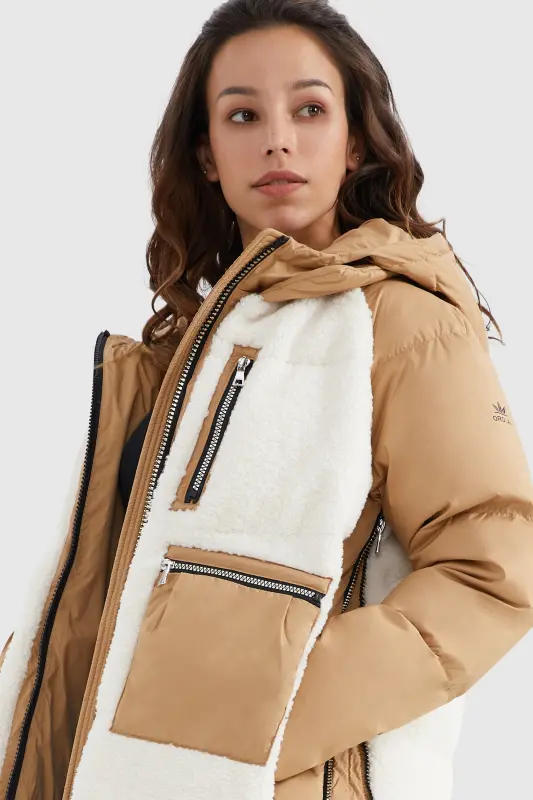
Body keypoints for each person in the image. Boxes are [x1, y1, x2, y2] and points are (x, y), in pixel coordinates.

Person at [1, 1, 532, 798]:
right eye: (242, 115)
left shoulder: (399, 318)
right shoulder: (191, 346)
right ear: (207, 154)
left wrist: (255, 725)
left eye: (309, 109)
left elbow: (492, 570)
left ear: (354, 143)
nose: (277, 139)